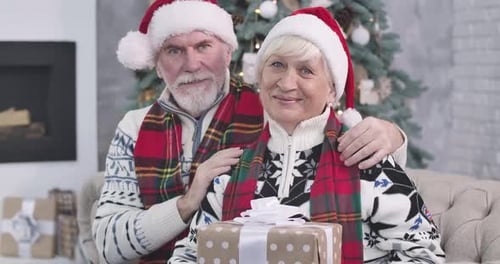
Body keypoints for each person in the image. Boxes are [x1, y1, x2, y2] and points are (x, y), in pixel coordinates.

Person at [93, 0, 409, 263]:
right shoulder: (134, 128)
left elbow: (345, 149)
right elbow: (108, 246)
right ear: (157, 64)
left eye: (204, 45)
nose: (192, 63)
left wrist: (393, 136)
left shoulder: (275, 106)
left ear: (228, 51)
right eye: (174, 51)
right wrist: (188, 202)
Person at [169, 6, 445, 264]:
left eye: (306, 70)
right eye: (277, 65)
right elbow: (190, 253)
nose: (287, 83)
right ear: (260, 76)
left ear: (332, 90)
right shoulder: (230, 171)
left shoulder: (366, 161)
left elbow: (425, 254)